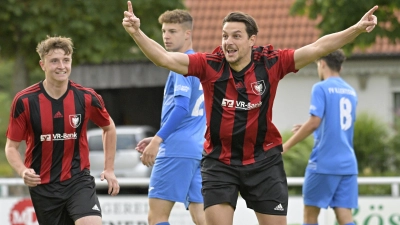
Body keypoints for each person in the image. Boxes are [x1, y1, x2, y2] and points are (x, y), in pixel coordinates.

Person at [122, 1, 377, 224]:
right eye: (224, 36)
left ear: (252, 39)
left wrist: (356, 29)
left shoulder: (271, 62)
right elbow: (164, 59)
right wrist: (136, 33)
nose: (228, 42)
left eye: (236, 36)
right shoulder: (209, 64)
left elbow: (317, 48)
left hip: (264, 161)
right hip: (219, 162)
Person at [5, 36, 120, 225]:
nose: (61, 66)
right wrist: (23, 170)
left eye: (66, 60)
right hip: (43, 186)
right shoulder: (24, 101)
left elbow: (109, 128)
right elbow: (11, 147)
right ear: (42, 65)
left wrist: (109, 169)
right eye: (54, 61)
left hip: (78, 179)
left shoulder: (86, 97)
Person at [135, 9, 206, 225]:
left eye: (172, 31)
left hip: (176, 148)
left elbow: (182, 108)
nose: (166, 36)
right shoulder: (200, 63)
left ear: (187, 34)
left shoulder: (181, 65)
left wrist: (158, 140)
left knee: (157, 217)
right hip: (198, 149)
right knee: (202, 218)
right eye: (164, 31)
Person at [282, 50, 358, 225]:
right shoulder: (351, 92)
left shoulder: (320, 87)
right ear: (341, 67)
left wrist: (285, 146)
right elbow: (339, 125)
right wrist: (311, 126)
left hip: (324, 163)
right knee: (345, 216)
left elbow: (315, 121)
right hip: (347, 163)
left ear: (322, 64)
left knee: (310, 215)